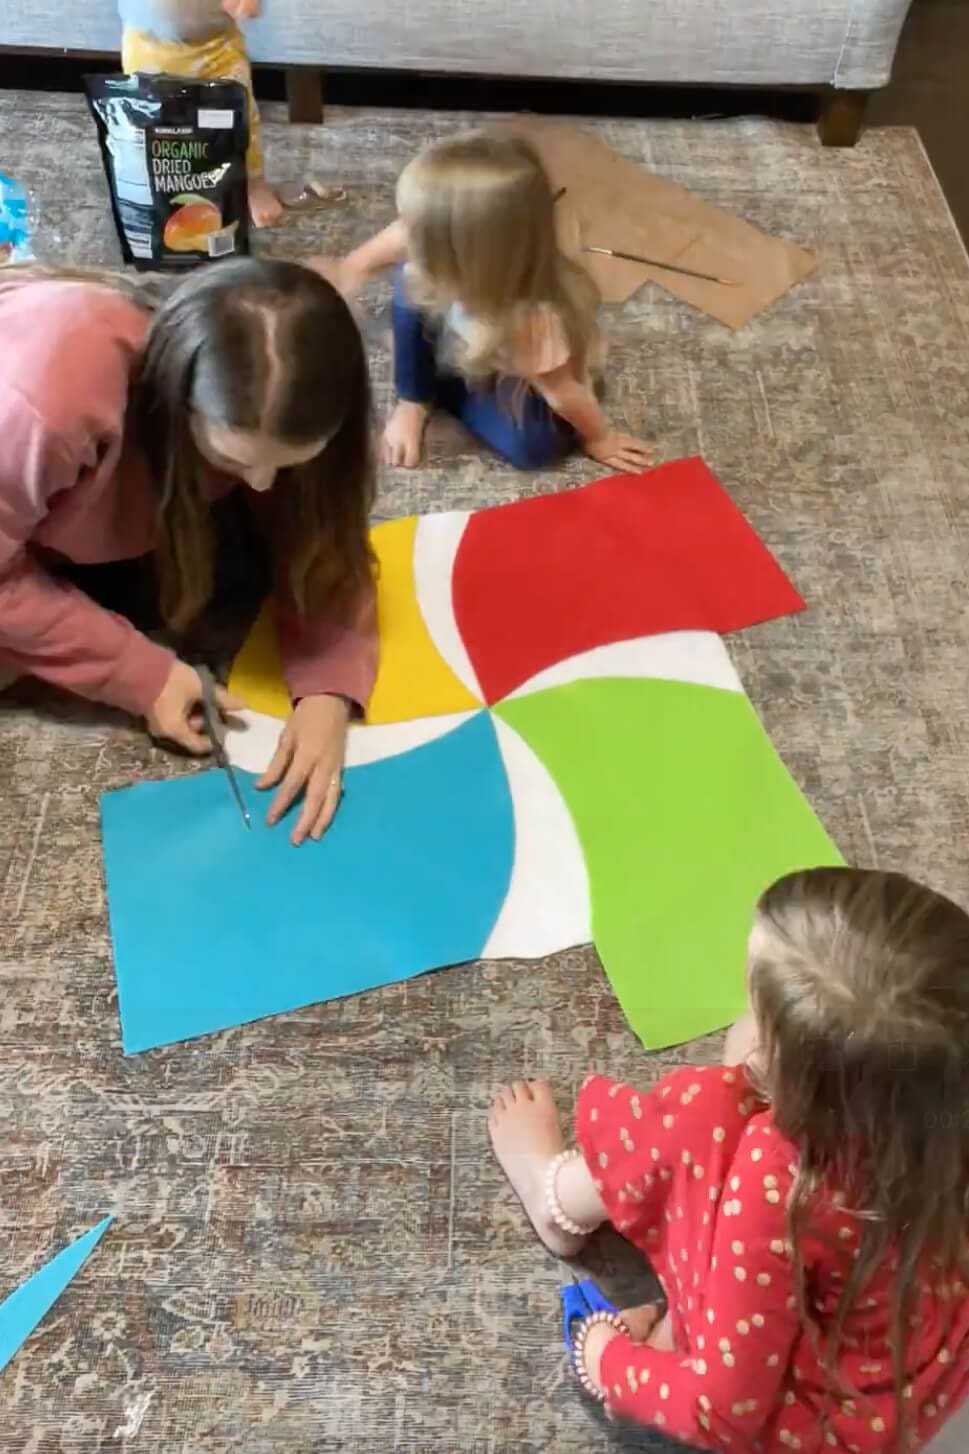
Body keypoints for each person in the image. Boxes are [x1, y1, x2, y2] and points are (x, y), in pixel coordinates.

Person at [489, 867, 969, 1452]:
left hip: (822, 1419)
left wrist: (605, 1358)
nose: (739, 1025)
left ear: (783, 1068)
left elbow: (724, 1411)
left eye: (752, 1011)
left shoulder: (776, 1179)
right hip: (921, 1367)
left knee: (700, 1109)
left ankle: (559, 1198)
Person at [0, 258, 376, 845]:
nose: (260, 485)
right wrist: (139, 674)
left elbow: (322, 530)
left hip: (99, 490)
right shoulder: (44, 403)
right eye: (232, 461)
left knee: (224, 580)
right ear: (176, 397)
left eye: (289, 462)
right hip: (25, 472)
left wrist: (327, 684)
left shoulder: (297, 378)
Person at [315, 131, 654, 474]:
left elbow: (564, 394)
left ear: (465, 253)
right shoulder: (433, 249)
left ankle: (436, 383)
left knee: (536, 448)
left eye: (420, 232)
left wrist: (601, 439)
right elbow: (396, 239)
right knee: (410, 281)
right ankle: (415, 396)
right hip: (465, 326)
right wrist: (350, 269)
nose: (405, 235)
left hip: (515, 366)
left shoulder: (530, 322)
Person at [118, 0, 283, 227]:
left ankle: (252, 185)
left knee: (239, 119)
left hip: (216, 48)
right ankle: (162, 187)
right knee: (154, 124)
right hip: (146, 44)